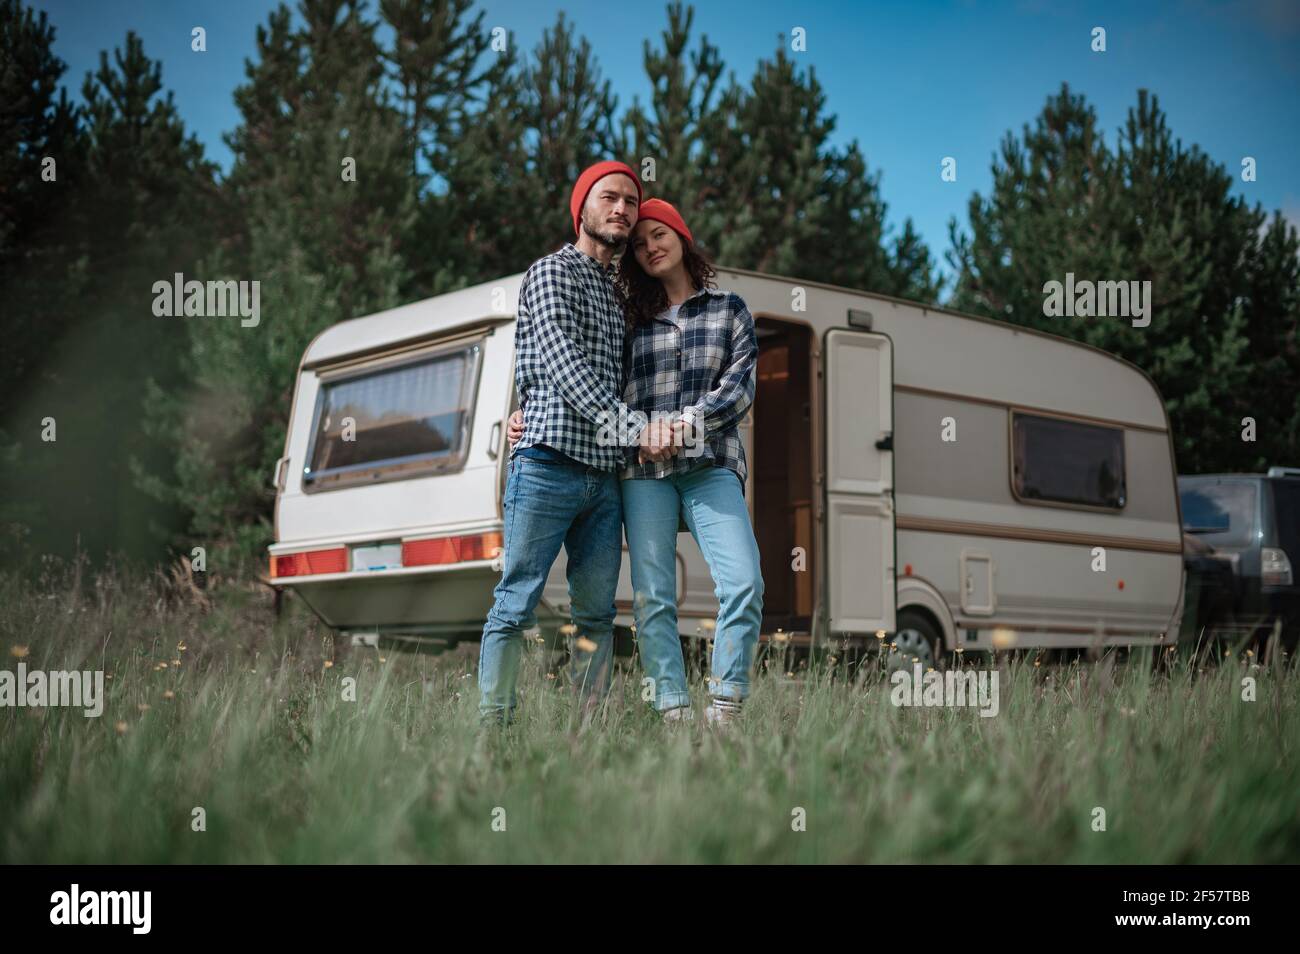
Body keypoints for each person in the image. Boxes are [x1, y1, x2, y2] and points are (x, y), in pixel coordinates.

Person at [509, 198, 764, 726]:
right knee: (653, 598)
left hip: (709, 464)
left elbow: (739, 389)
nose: (650, 245)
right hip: (642, 473)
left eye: (659, 233)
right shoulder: (631, 323)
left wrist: (685, 424)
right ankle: (671, 710)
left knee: (743, 582)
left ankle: (727, 706)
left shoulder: (729, 310)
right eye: (641, 240)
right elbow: (598, 383)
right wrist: (527, 409)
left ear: (682, 237)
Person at [478, 161, 678, 727]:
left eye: (630, 203)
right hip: (546, 465)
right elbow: (565, 369)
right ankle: (494, 728)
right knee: (516, 603)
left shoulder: (619, 295)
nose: (621, 210)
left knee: (596, 616)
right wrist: (636, 429)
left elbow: (620, 378)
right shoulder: (549, 273)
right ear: (582, 209)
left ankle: (586, 733)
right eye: (609, 198)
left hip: (604, 480)